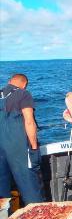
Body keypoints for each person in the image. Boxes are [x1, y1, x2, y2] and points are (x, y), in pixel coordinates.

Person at [0, 74, 44, 205]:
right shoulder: (23, 94)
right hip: (19, 149)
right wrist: (34, 147)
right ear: (24, 84)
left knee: (2, 196)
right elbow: (29, 122)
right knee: (31, 190)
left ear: (9, 82)